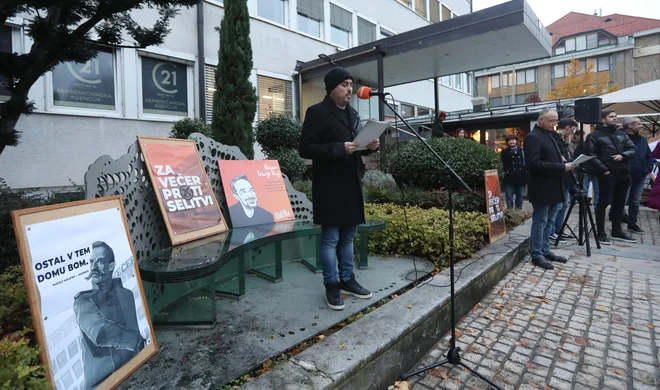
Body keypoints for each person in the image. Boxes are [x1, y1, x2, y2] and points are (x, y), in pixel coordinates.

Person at [299, 67, 379, 310]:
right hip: (329, 185)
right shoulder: (317, 112)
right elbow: (306, 149)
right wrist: (338, 149)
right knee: (331, 238)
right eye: (344, 84)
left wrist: (369, 146)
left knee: (348, 238)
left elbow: (354, 145)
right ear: (332, 87)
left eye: (350, 84)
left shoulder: (353, 113)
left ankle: (348, 279)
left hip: (351, 182)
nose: (349, 89)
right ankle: (331, 285)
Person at [74, 241, 145, 389]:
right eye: (91, 262)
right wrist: (136, 340)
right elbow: (99, 332)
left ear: (111, 266)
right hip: (102, 384)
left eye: (100, 261)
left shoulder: (126, 294)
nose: (93, 267)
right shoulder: (83, 301)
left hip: (134, 373)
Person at [523, 108, 571, 270]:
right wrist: (561, 166)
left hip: (555, 186)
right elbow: (533, 164)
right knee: (541, 221)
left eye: (556, 120)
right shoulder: (532, 137)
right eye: (551, 121)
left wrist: (562, 160)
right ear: (541, 120)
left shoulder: (550, 135)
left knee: (550, 221)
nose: (555, 124)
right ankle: (536, 254)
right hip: (542, 188)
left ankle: (545, 250)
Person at [586, 109, 637, 244]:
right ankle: (601, 232)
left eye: (616, 116)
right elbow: (591, 155)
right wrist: (605, 170)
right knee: (603, 202)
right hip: (607, 174)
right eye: (611, 116)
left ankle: (617, 231)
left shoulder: (621, 134)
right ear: (603, 119)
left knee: (620, 203)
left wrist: (623, 155)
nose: (615, 118)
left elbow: (633, 149)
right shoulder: (594, 135)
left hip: (623, 173)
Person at [616, 117, 651, 233]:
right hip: (626, 173)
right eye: (639, 124)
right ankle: (617, 224)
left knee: (635, 200)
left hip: (641, 174)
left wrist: (648, 168)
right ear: (630, 126)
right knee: (623, 199)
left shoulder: (642, 139)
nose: (641, 125)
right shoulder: (619, 138)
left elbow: (648, 155)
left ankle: (632, 224)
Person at [550, 118, 578, 242]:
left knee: (564, 205)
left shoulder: (562, 139)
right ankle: (551, 231)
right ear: (567, 127)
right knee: (558, 205)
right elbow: (556, 155)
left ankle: (558, 229)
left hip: (566, 174)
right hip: (559, 174)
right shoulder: (554, 137)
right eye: (572, 129)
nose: (572, 133)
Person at [500, 133, 526, 210]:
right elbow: (501, 163)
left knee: (520, 195)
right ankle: (510, 211)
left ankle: (518, 210)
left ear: (516, 141)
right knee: (509, 195)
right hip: (509, 177)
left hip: (521, 176)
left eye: (513, 140)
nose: (511, 142)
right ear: (507, 142)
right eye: (509, 140)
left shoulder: (522, 151)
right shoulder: (504, 152)